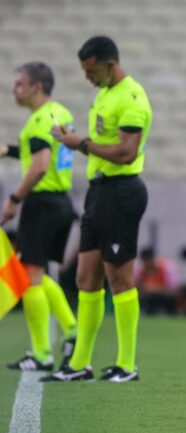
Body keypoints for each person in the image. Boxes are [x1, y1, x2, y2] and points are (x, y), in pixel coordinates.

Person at [42, 36, 152, 383]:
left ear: (110, 64)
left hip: (122, 192)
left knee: (119, 276)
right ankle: (80, 364)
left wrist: (82, 144)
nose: (88, 78)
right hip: (99, 191)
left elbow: (126, 153)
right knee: (85, 277)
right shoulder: (103, 94)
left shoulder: (132, 97)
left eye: (92, 71)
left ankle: (127, 363)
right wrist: (74, 140)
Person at [1, 62, 78, 371]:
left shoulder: (37, 120)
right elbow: (43, 152)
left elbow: (40, 164)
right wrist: (8, 150)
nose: (14, 89)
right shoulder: (62, 113)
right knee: (35, 273)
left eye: (19, 83)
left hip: (41, 202)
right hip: (61, 202)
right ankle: (72, 330)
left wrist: (14, 198)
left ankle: (42, 353)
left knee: (29, 277)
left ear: (37, 86)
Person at [134, 247, 180, 315]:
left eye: (148, 260)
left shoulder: (166, 268)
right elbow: (136, 286)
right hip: (148, 297)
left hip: (163, 296)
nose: (147, 263)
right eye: (145, 260)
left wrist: (154, 289)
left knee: (170, 300)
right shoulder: (140, 270)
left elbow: (174, 288)